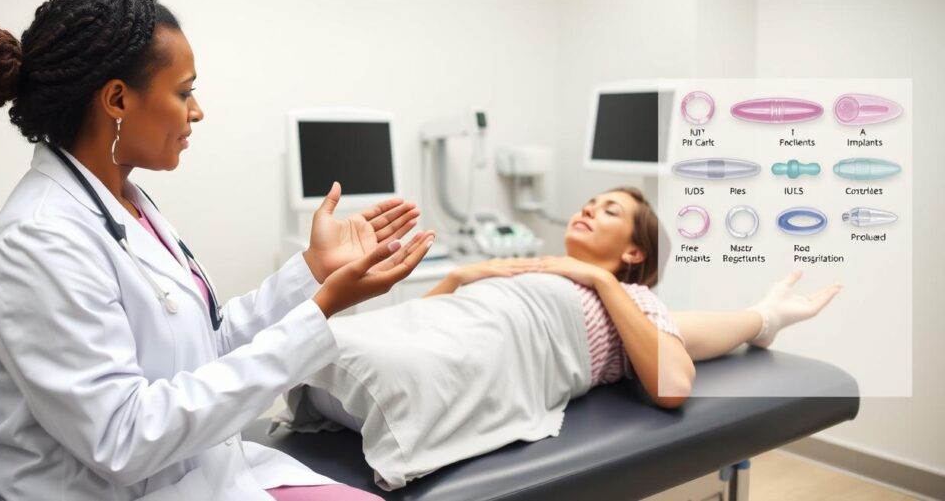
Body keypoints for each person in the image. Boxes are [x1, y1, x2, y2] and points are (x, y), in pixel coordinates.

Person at [0, 0, 434, 501]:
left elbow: (207, 347)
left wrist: (313, 271)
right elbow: (123, 440)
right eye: (183, 92)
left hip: (196, 475)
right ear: (117, 99)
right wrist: (322, 308)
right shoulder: (38, 242)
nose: (196, 111)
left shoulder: (129, 205)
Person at [284, 187, 842, 489]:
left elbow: (673, 384)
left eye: (610, 211)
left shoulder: (631, 299)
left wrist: (602, 281)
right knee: (358, 335)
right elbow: (422, 325)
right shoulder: (540, 268)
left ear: (633, 253)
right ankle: (764, 318)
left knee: (368, 356)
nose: (588, 210)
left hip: (505, 349)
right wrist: (460, 278)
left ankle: (765, 317)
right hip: (449, 330)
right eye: (589, 203)